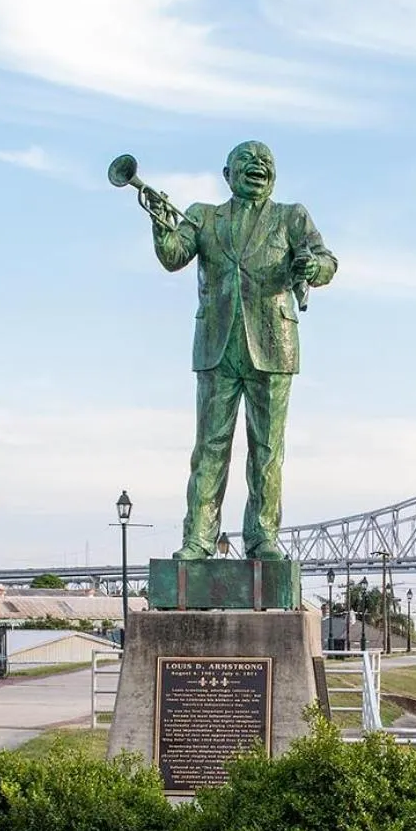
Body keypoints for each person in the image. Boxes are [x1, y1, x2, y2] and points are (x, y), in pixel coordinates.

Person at [149, 140, 337, 560]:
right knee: (209, 448)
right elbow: (174, 256)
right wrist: (162, 225)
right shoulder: (203, 216)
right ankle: (199, 537)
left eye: (265, 160)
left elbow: (327, 262)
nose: (258, 166)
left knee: (267, 451)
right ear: (227, 174)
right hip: (217, 344)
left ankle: (262, 536)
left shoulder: (292, 217)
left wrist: (313, 266)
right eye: (247, 161)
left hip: (274, 344)